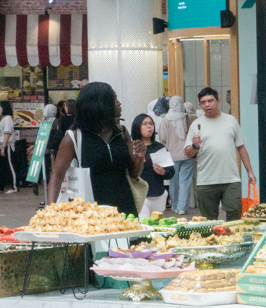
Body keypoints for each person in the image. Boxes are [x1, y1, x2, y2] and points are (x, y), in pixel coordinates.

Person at [48, 82, 145, 216]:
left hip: (125, 208)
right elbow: (57, 175)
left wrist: (140, 156)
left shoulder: (121, 132)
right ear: (100, 105)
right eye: (114, 99)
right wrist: (50, 212)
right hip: (92, 213)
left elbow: (134, 174)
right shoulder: (74, 137)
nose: (119, 103)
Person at [184, 86, 255, 221]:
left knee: (235, 214)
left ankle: (232, 240)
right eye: (203, 102)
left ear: (218, 101)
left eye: (210, 101)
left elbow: (241, 148)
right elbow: (187, 153)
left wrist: (249, 171)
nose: (207, 105)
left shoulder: (230, 121)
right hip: (206, 181)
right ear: (200, 105)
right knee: (209, 222)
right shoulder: (196, 125)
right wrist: (194, 145)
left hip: (231, 179)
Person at [156, 97, 194, 214]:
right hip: (187, 154)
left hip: (172, 156)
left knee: (174, 181)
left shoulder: (166, 119)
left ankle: (175, 205)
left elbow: (162, 138)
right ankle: (182, 208)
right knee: (185, 181)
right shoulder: (187, 117)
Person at [132, 113, 169, 217]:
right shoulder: (132, 147)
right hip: (141, 196)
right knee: (144, 226)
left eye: (151, 124)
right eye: (145, 124)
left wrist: (163, 172)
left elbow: (171, 172)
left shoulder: (160, 147)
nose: (149, 126)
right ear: (137, 126)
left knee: (157, 227)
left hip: (158, 194)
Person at [0, 99, 19, 194]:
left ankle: (15, 187)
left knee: (10, 166)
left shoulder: (8, 118)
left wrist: (4, 147)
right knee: (3, 167)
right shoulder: (4, 119)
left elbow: (7, 133)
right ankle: (1, 187)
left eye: (0, 107)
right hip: (2, 145)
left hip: (7, 145)